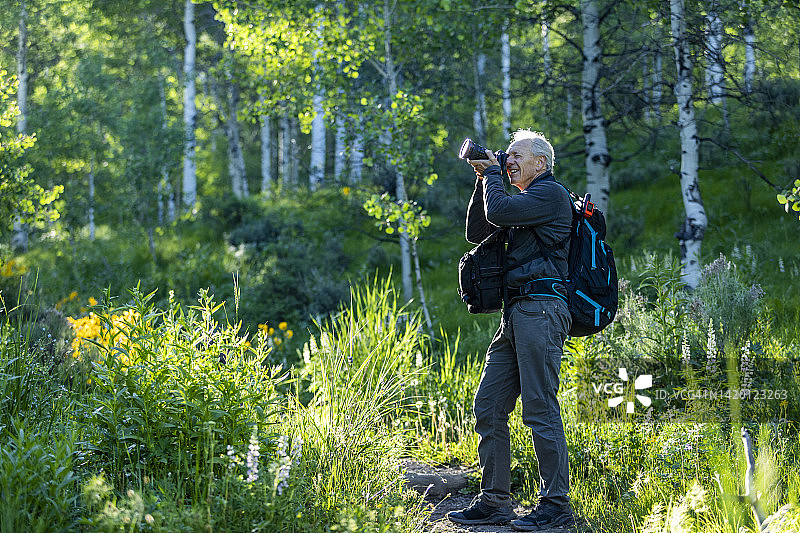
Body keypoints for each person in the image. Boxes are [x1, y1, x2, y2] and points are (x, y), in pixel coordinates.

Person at [446, 130, 575, 531]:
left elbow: (498, 212)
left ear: (541, 162)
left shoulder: (550, 195)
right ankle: (495, 502)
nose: (510, 160)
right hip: (517, 312)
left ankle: (556, 507)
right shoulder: (520, 200)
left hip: (542, 308)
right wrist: (484, 177)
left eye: (517, 156)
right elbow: (478, 230)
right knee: (488, 405)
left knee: (539, 408)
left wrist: (493, 176)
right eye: (508, 156)